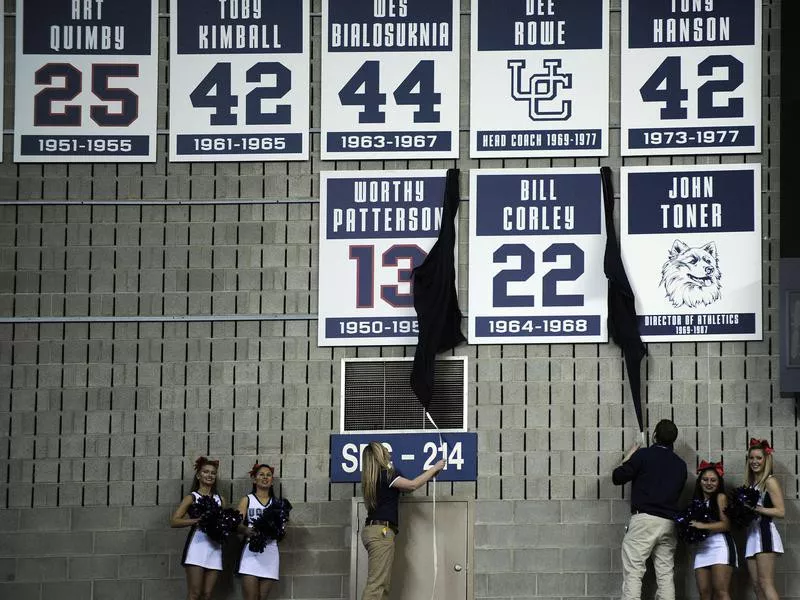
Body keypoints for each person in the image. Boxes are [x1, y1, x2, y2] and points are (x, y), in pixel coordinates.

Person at [612, 419, 688, 600]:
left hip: (644, 520)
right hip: (669, 523)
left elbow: (617, 477)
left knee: (634, 572)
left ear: (654, 435)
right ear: (673, 440)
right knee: (665, 575)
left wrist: (629, 456)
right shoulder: (681, 465)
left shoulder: (644, 455)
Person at [360, 441, 445, 600]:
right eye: (386, 450)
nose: (389, 452)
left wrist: (430, 474)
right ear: (380, 454)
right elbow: (412, 485)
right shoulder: (387, 473)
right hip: (381, 533)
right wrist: (434, 468)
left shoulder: (372, 478)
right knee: (376, 585)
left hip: (374, 531)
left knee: (382, 585)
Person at [170, 457, 225, 600]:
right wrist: (196, 521)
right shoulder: (192, 497)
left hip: (215, 547)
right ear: (198, 475)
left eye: (213, 473)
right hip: (197, 546)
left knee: (207, 594)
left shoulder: (220, 499)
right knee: (194, 594)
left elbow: (224, 522)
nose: (210, 475)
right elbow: (174, 521)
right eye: (206, 472)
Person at [688, 461, 736, 600]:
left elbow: (726, 525)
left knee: (721, 592)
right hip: (703, 548)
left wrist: (702, 526)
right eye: (705, 479)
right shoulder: (698, 501)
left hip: (721, 546)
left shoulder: (721, 497)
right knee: (704, 593)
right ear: (700, 481)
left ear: (718, 482)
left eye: (713, 480)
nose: (709, 483)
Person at [744, 438, 784, 600]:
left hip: (765, 534)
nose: (754, 461)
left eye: (758, 458)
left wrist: (758, 509)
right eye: (751, 458)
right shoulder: (752, 483)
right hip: (752, 535)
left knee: (766, 583)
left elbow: (781, 511)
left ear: (766, 459)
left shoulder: (770, 481)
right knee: (757, 585)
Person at [237, 462, 284, 600]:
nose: (265, 477)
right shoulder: (247, 500)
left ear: (272, 481)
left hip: (270, 551)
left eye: (268, 475)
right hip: (251, 551)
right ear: (254, 479)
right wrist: (247, 530)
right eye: (261, 474)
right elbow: (236, 525)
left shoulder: (277, 504)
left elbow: (282, 530)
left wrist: (279, 531)